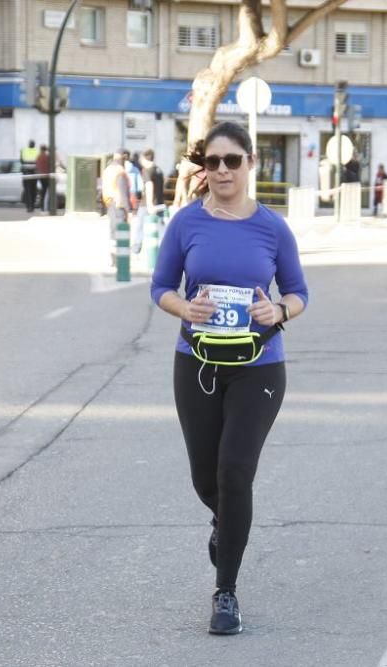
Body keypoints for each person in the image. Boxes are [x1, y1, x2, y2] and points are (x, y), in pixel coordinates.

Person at [150, 121, 308, 636]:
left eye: (231, 161)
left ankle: (226, 593)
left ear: (250, 163)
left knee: (235, 472)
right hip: (195, 363)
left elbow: (299, 290)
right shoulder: (185, 223)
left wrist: (279, 310)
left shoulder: (272, 227)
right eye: (212, 162)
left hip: (260, 367)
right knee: (206, 477)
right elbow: (160, 288)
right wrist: (185, 306)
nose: (221, 170)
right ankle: (225, 521)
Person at [101, 151, 131, 266]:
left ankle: (112, 259)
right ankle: (119, 260)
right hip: (118, 205)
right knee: (120, 232)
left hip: (109, 203)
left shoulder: (108, 170)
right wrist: (128, 210)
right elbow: (122, 192)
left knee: (113, 232)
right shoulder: (120, 171)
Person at [140, 149, 166, 227]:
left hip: (147, 205)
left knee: (141, 230)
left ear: (144, 158)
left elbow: (149, 185)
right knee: (158, 230)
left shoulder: (147, 170)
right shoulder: (158, 170)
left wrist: (149, 204)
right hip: (160, 203)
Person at [20, 140, 39, 213]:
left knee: (27, 190)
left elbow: (21, 161)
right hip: (34, 173)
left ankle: (29, 207)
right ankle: (32, 206)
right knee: (33, 190)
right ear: (34, 145)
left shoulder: (23, 150)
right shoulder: (37, 151)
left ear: (28, 144)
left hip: (26, 173)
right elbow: (38, 161)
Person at [36, 144, 50, 212]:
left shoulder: (38, 156)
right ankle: (45, 207)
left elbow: (37, 166)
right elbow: (49, 165)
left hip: (41, 176)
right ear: (45, 149)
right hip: (47, 176)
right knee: (46, 191)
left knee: (43, 191)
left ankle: (42, 207)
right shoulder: (47, 156)